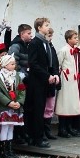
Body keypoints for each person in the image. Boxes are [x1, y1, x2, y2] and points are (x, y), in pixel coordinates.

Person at [26, 18, 60, 147]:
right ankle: (37, 138)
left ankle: (39, 136)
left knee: (43, 109)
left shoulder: (46, 43)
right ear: (39, 27)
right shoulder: (35, 43)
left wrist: (54, 74)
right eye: (46, 25)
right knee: (37, 110)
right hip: (37, 82)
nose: (48, 27)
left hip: (45, 81)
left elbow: (50, 62)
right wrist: (47, 76)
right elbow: (33, 63)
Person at [0, 53, 25, 158]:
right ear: (5, 65)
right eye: (12, 64)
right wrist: (8, 102)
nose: (14, 66)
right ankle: (3, 150)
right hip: (4, 107)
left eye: (14, 64)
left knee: (11, 127)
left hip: (15, 106)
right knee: (4, 127)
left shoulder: (16, 76)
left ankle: (10, 150)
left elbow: (22, 89)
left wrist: (19, 102)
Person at [55, 29, 80, 137]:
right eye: (74, 38)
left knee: (71, 104)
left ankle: (69, 127)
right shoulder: (63, 50)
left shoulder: (76, 50)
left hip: (73, 80)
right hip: (66, 80)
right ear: (68, 39)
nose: (76, 40)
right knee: (64, 103)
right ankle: (62, 128)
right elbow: (58, 64)